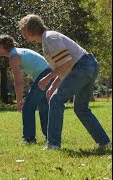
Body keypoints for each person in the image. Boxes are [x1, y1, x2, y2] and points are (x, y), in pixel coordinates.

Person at [18, 14, 112, 150]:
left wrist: (47, 78)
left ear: (30, 29)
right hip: (88, 65)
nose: (22, 33)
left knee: (56, 100)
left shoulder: (50, 38)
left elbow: (67, 63)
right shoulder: (47, 39)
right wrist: (53, 86)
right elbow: (63, 67)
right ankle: (105, 143)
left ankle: (53, 144)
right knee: (81, 108)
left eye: (23, 30)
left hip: (83, 67)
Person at [0, 34, 52, 144]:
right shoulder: (18, 52)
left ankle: (29, 139)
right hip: (49, 74)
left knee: (28, 106)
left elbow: (19, 82)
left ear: (4, 46)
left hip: (44, 75)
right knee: (43, 107)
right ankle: (50, 137)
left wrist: (19, 101)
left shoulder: (14, 57)